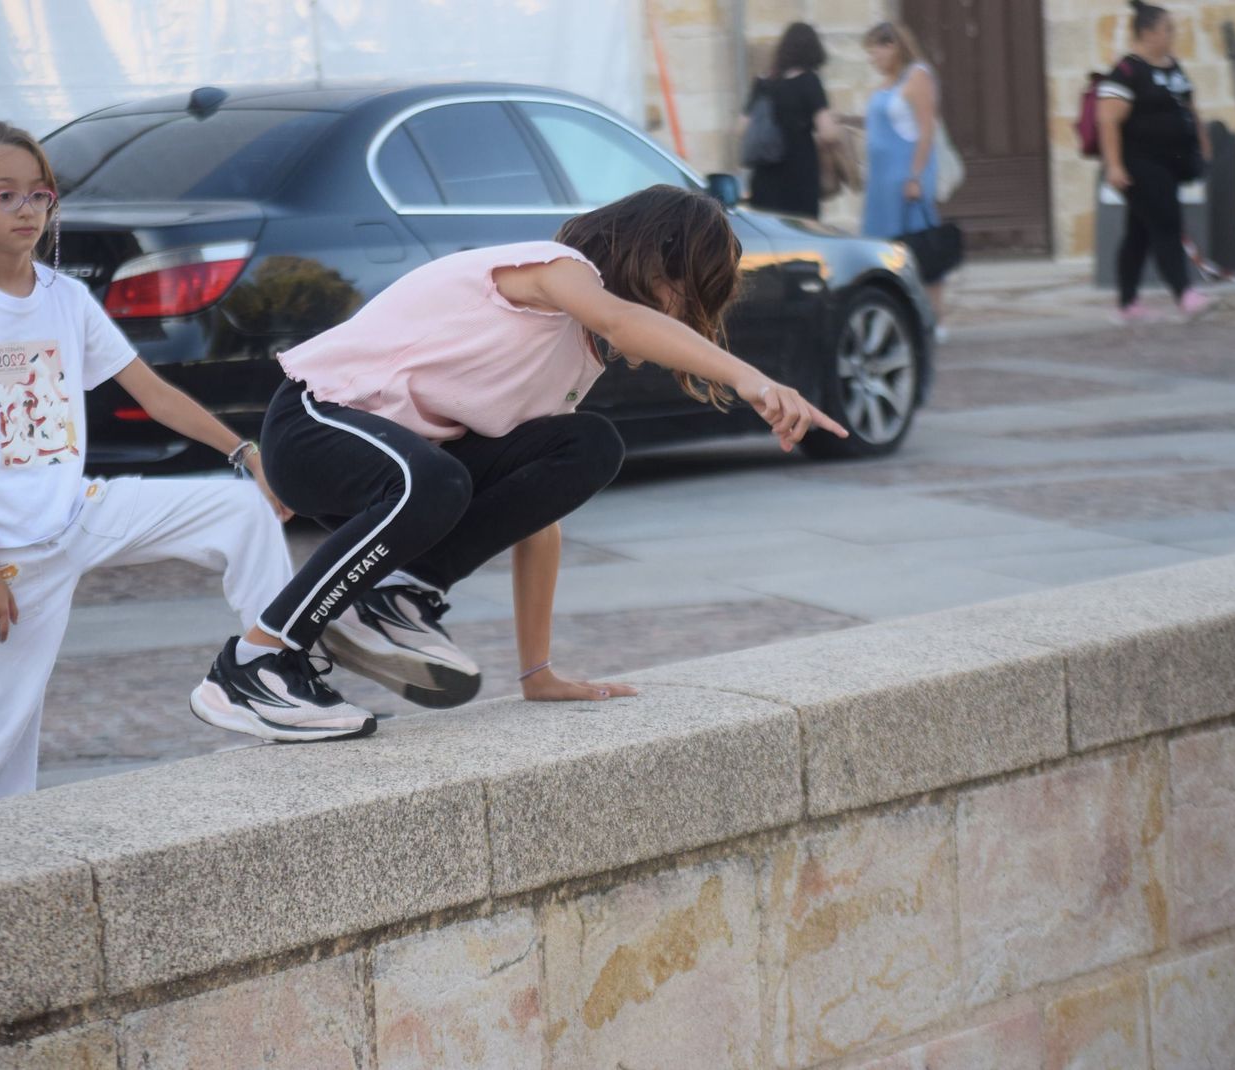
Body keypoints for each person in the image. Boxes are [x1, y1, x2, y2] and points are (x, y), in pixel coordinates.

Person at [191, 185, 848, 725]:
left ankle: (396, 597)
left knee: (586, 445)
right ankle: (253, 664)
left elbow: (537, 515)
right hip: (314, 423)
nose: (688, 325)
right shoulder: (556, 272)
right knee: (435, 481)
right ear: (650, 269)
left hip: (398, 474)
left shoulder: (576, 361)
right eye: (687, 303)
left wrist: (538, 672)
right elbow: (622, 319)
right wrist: (752, 378)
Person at [0, 122, 319, 806]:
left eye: (38, 195)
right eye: (4, 195)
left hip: (78, 514)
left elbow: (153, 393)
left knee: (241, 509)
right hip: (3, 547)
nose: (25, 211)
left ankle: (267, 673)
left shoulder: (65, 298)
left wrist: (246, 452)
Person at [1098, 0, 1216, 321]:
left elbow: (1190, 107)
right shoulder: (1126, 72)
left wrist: (1203, 144)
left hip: (1171, 163)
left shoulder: (1173, 66)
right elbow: (1107, 121)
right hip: (1140, 164)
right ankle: (1184, 293)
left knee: (1139, 232)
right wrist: (1115, 166)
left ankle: (1127, 303)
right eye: (1168, 29)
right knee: (1167, 223)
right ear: (1148, 32)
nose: (1173, 34)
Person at [861, 21, 950, 335]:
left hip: (905, 180)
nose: (873, 57)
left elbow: (926, 131)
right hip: (880, 184)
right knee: (884, 251)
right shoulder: (886, 83)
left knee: (921, 248)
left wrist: (915, 176)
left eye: (876, 49)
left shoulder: (918, 77)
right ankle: (898, 316)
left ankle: (936, 317)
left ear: (893, 46)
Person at [745, 22, 842, 219]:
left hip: (764, 175)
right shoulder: (809, 82)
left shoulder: (763, 83)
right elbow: (827, 133)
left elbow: (741, 127)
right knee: (801, 237)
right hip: (799, 176)